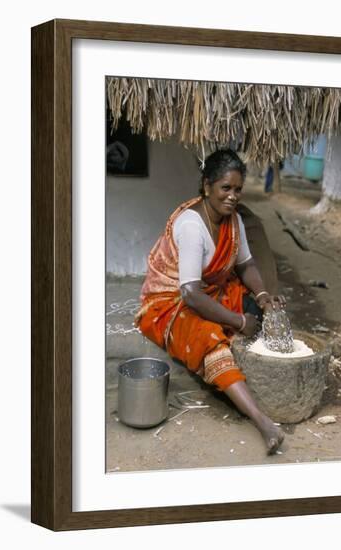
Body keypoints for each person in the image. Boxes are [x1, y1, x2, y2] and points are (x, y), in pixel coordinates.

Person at [135, 149, 285, 454]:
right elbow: (189, 293)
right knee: (209, 337)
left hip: (211, 289)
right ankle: (262, 421)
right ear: (207, 187)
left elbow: (245, 265)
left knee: (262, 307)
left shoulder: (233, 221)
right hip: (172, 301)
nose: (232, 196)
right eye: (225, 188)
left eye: (238, 189)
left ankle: (244, 371)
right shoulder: (193, 226)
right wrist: (238, 321)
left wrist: (262, 294)